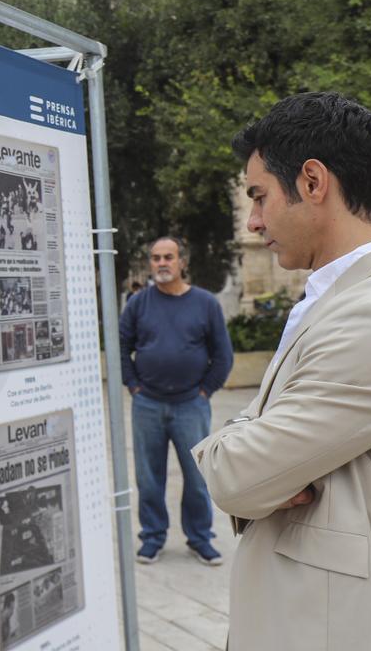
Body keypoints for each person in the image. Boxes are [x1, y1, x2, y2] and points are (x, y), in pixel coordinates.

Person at [194, 93, 371, 650]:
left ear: (313, 182)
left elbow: (237, 474)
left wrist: (238, 457)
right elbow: (259, 445)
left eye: (260, 196)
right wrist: (265, 455)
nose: (254, 220)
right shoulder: (346, 300)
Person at [119, 236, 233, 565]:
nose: (161, 263)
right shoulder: (138, 304)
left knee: (197, 477)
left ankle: (199, 538)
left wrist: (205, 390)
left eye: (168, 257)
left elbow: (223, 355)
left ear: (182, 262)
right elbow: (122, 346)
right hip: (147, 403)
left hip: (191, 405)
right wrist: (133, 385)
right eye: (156, 258)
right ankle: (152, 538)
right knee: (148, 477)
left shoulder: (205, 303)